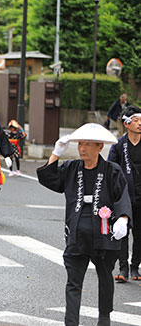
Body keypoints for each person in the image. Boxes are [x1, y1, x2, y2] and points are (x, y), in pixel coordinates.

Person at [37, 123, 132, 326]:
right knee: (73, 282)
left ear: (99, 147)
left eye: (87, 144)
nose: (82, 148)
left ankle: (104, 317)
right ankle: (71, 323)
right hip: (77, 235)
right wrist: (56, 154)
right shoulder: (71, 168)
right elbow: (48, 178)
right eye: (80, 144)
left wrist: (123, 219)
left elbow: (122, 196)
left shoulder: (112, 170)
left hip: (104, 236)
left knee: (105, 277)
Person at [109, 105, 141, 283]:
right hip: (124, 196)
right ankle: (123, 267)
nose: (139, 124)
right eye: (136, 120)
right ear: (126, 123)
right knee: (122, 232)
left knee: (140, 234)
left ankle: (135, 265)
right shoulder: (119, 146)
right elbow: (110, 170)